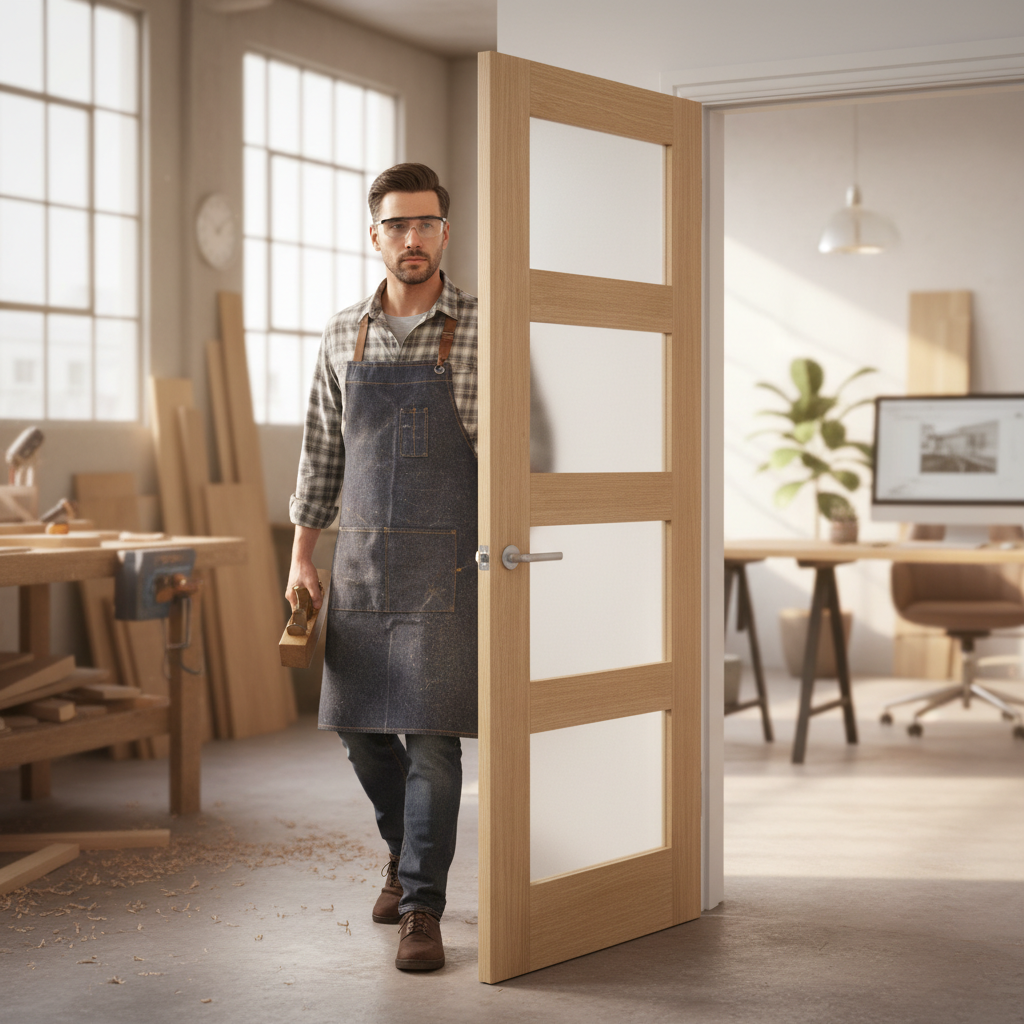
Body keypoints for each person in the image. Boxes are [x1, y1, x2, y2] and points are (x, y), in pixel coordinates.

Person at [286, 163, 478, 973]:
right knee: (360, 728)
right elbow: (321, 454)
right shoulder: (341, 333)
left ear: (445, 232)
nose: (412, 238)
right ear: (375, 236)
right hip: (360, 565)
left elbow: (520, 451)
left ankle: (422, 908)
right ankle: (405, 861)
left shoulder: (483, 328)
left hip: (448, 569)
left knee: (433, 740)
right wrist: (301, 554)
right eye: (396, 225)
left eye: (426, 223)